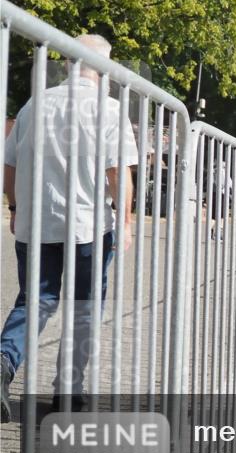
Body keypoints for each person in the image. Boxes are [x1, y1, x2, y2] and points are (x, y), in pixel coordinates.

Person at [1, 35, 138, 422]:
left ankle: (3, 362)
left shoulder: (34, 105)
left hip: (36, 220)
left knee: (35, 301)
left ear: (67, 64)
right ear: (105, 69)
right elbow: (117, 174)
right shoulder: (109, 110)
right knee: (83, 307)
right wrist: (125, 222)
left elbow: (9, 165)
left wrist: (15, 207)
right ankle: (67, 392)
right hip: (88, 226)